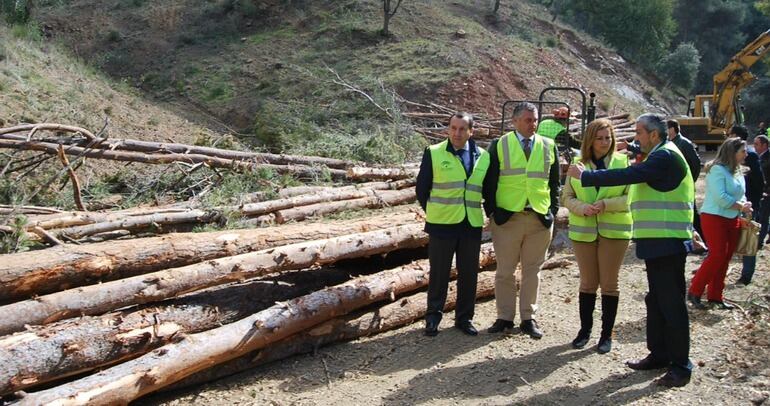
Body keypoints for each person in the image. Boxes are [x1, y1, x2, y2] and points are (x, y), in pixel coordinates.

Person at [566, 113, 694, 388]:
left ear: (654, 136)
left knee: (671, 304)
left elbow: (631, 174)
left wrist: (587, 177)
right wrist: (634, 148)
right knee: (656, 300)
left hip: (667, 241)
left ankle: (681, 366)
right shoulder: (661, 151)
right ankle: (659, 354)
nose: (634, 138)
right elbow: (641, 159)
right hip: (657, 240)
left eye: (638, 134)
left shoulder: (665, 156)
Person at [482, 102, 560, 339]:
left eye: (535, 120)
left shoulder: (549, 145)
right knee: (505, 271)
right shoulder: (499, 145)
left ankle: (528, 318)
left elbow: (554, 182)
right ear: (514, 121)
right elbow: (489, 182)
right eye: (527, 120)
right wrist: (493, 213)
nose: (532, 124)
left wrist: (553, 211)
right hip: (508, 220)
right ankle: (504, 317)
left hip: (538, 219)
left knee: (532, 271)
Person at [415, 112, 489, 337]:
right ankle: (433, 317)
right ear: (448, 129)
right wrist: (435, 212)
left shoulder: (483, 156)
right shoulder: (434, 153)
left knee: (469, 274)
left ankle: (464, 318)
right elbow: (422, 189)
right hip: (442, 225)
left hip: (470, 224)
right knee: (439, 273)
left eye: (462, 129)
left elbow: (487, 189)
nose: (457, 133)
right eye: (453, 128)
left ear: (471, 131)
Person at [562, 118, 631, 354]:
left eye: (608, 138)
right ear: (590, 140)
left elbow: (629, 198)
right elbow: (566, 197)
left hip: (615, 231)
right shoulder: (578, 164)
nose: (604, 142)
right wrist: (582, 208)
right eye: (599, 138)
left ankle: (606, 334)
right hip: (584, 231)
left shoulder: (623, 162)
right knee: (588, 283)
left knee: (610, 284)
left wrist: (605, 204)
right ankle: (585, 330)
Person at [687, 138, 751, 309]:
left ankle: (716, 296)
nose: (746, 154)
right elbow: (721, 198)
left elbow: (741, 194)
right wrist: (741, 206)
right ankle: (695, 290)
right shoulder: (717, 170)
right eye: (742, 151)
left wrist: (745, 204)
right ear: (732, 152)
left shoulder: (737, 171)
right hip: (714, 218)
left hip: (733, 218)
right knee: (716, 255)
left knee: (726, 257)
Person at [732, 126, 765, 285]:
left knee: (749, 239)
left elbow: (759, 181)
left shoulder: (750, 156)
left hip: (748, 205)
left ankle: (746, 276)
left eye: (730, 134)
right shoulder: (729, 156)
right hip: (735, 206)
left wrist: (753, 203)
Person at [667, 120, 705, 248]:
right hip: (675, 186)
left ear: (672, 129)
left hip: (684, 185)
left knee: (692, 213)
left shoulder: (684, 143)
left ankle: (704, 241)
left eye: (666, 128)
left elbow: (696, 163)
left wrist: (690, 180)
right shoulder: (671, 143)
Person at [754, 135, 770, 246]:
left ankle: (759, 242)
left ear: (764, 145)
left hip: (767, 193)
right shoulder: (760, 157)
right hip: (764, 192)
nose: (754, 147)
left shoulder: (766, 159)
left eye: (756, 144)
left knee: (763, 217)